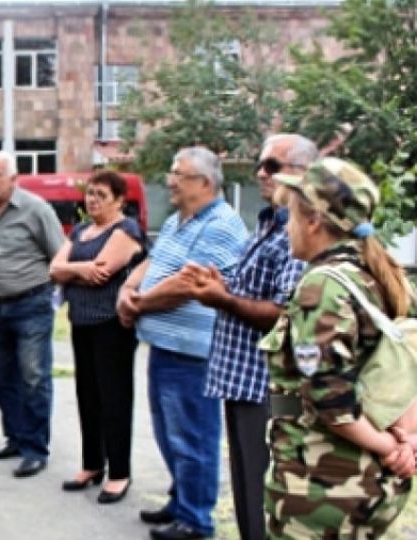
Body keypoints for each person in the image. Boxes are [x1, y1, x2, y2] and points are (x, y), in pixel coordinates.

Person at [261, 158, 416, 539]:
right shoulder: (378, 275)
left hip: (322, 487)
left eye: (291, 216)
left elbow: (331, 401)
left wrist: (390, 448)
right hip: (366, 485)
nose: (288, 228)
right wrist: (406, 440)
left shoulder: (323, 286)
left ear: (314, 221)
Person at [178, 134, 316, 540]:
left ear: (303, 174)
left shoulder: (299, 232)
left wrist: (223, 298)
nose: (261, 174)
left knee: (265, 494)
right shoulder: (268, 223)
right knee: (245, 490)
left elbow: (285, 315)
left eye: (273, 166)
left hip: (267, 388)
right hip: (241, 381)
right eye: (261, 165)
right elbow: (251, 292)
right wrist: (222, 287)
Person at [117, 147, 249, 540]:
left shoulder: (222, 224)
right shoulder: (180, 219)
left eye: (179, 175)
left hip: (193, 352)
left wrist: (138, 304)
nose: (170, 181)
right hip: (167, 345)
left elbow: (189, 285)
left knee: (193, 437)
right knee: (169, 433)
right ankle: (181, 501)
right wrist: (128, 286)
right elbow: (155, 261)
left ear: (205, 183)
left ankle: (195, 521)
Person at [0, 150, 64, 478]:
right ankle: (16, 438)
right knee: (2, 377)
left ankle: (36, 448)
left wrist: (54, 296)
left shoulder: (35, 209)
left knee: (34, 377)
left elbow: (59, 255)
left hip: (31, 304)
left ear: (13, 180)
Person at [50, 170, 145, 503]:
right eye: (89, 193)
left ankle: (119, 472)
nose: (92, 200)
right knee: (87, 395)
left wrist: (72, 270)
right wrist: (79, 270)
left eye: (101, 195)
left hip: (112, 326)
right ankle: (92, 464)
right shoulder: (80, 230)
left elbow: (102, 271)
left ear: (119, 200)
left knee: (114, 398)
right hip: (82, 323)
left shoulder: (126, 230)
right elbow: (55, 268)